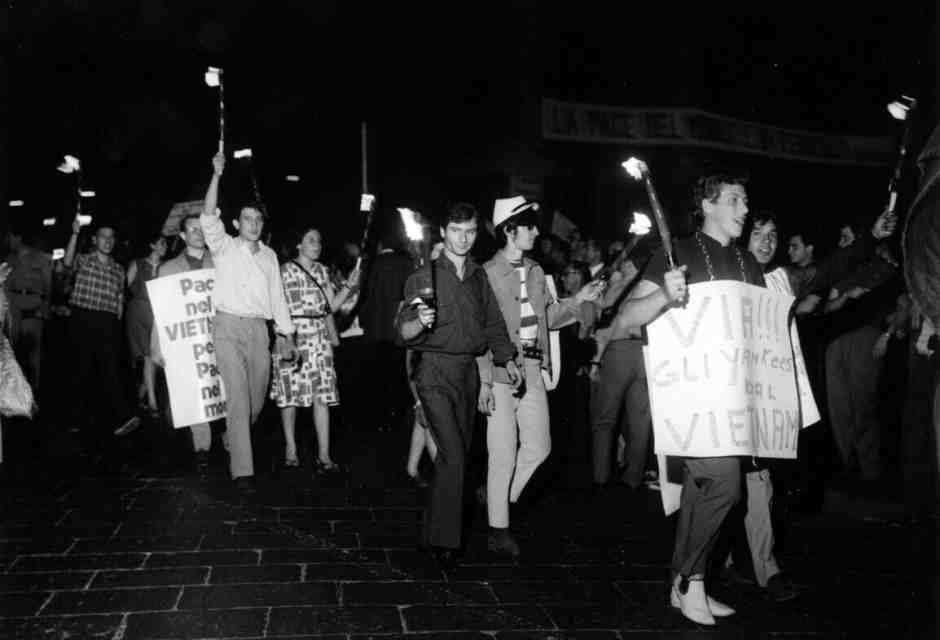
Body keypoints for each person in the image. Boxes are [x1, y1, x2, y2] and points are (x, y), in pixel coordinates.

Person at [615, 172, 764, 626]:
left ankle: (686, 583)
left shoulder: (749, 264)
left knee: (702, 496)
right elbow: (624, 320)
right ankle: (690, 581)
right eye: (735, 200)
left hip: (734, 400)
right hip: (691, 398)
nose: (744, 210)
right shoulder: (674, 253)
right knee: (725, 486)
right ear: (708, 204)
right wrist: (664, 294)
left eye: (745, 200)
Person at [395, 202, 520, 568]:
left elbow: (494, 324)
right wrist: (419, 320)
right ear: (443, 233)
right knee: (453, 453)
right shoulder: (424, 276)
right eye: (455, 231)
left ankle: (433, 534)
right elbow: (402, 332)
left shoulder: (479, 277)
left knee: (455, 457)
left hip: (467, 372)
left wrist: (506, 357)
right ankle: (447, 545)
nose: (463, 239)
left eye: (469, 232)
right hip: (433, 372)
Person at [477, 196, 600, 557]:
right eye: (529, 226)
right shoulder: (486, 274)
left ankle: (497, 498)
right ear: (509, 231)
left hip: (533, 370)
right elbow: (481, 332)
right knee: (502, 453)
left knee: (539, 447)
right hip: (501, 372)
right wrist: (486, 377)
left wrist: (579, 299)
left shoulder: (534, 272)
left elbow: (551, 319)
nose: (536, 231)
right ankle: (499, 528)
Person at [200, 152, 296, 493]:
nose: (253, 224)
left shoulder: (270, 256)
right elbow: (208, 215)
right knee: (238, 399)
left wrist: (286, 335)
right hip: (226, 327)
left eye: (258, 219)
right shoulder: (224, 246)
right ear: (237, 223)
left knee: (256, 400)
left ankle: (232, 432)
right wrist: (216, 175)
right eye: (247, 219)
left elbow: (278, 299)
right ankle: (243, 472)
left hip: (259, 331)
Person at [271, 227, 359, 474]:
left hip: (319, 339)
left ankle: (324, 454)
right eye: (311, 240)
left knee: (322, 396)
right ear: (298, 244)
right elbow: (276, 307)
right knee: (290, 397)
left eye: (319, 240)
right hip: (292, 337)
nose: (317, 244)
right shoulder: (283, 271)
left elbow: (330, 307)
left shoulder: (322, 271)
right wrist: (283, 338)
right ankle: (291, 449)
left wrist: (348, 288)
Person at [64, 219, 141, 448]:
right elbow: (67, 263)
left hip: (107, 322)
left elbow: (119, 300)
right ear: (95, 240)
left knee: (111, 370)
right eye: (103, 237)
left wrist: (117, 323)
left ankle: (124, 418)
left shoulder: (118, 270)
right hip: (83, 317)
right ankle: (74, 419)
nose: (107, 241)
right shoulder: (84, 260)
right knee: (81, 368)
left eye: (111, 237)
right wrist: (74, 235)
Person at [151, 213, 215, 475]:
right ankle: (202, 447)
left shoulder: (221, 262)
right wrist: (156, 345)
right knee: (195, 391)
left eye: (202, 229)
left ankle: (229, 436)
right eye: (192, 229)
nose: (198, 233)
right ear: (182, 236)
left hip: (219, 337)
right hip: (187, 342)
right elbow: (161, 311)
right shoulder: (167, 270)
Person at [4, 221, 52, 393]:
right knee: (14, 351)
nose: (7, 241)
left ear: (17, 238)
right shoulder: (10, 259)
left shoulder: (39, 258)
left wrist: (45, 306)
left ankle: (33, 392)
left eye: (9, 237)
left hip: (33, 309)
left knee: (32, 354)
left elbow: (48, 285)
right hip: (14, 310)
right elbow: (5, 286)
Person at [125, 232, 167, 416]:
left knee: (156, 359)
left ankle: (137, 397)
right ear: (152, 246)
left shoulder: (167, 267)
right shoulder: (137, 264)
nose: (165, 247)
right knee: (149, 356)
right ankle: (152, 402)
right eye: (162, 243)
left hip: (158, 314)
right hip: (139, 313)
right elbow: (122, 286)